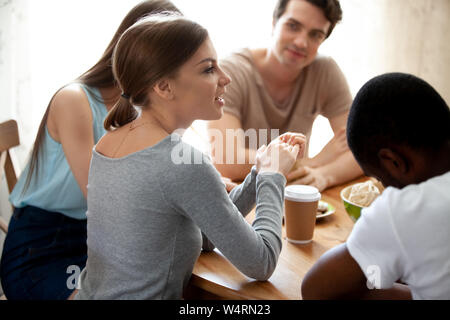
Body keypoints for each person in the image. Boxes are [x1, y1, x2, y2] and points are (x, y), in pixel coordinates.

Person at [73, 13, 306, 300]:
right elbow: (262, 262)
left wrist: (259, 173)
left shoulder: (109, 142)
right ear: (164, 87)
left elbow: (206, 231)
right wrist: (274, 176)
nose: (226, 78)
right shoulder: (181, 163)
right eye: (208, 69)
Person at [0, 1, 181, 300]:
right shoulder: (74, 100)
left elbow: (162, 173)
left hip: (97, 243)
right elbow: (100, 197)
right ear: (131, 48)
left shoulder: (143, 110)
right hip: (43, 247)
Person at [301, 73, 450, 300]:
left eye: (380, 179)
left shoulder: (406, 208)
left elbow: (315, 289)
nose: (384, 187)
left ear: (394, 162)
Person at [207, 0, 362, 191]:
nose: (301, 42)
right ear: (274, 22)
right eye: (293, 26)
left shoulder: (324, 71)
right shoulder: (231, 72)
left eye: (315, 35)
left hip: (291, 192)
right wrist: (310, 162)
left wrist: (325, 174)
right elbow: (226, 160)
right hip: (242, 199)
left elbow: (362, 149)